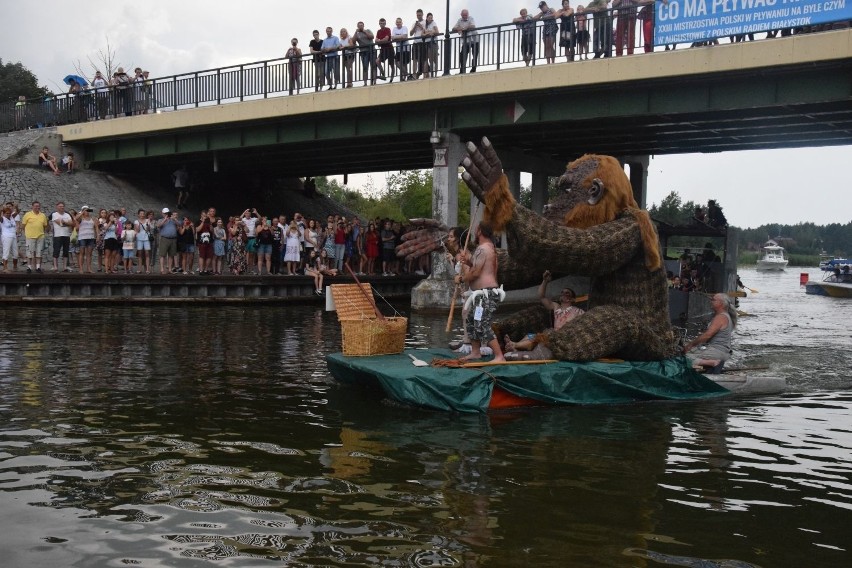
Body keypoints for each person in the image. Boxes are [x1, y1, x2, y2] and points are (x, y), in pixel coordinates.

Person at [454, 222, 506, 362]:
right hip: (481, 294)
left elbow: (476, 273)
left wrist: (461, 278)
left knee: (482, 323)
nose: (475, 233)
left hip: (486, 294)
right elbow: (478, 267)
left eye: (476, 230)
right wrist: (469, 261)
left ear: (479, 232)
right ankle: (475, 352)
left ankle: (499, 356)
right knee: (472, 321)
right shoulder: (488, 248)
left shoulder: (483, 249)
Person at [504, 271, 585, 355]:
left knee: (538, 338)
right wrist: (545, 281)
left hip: (564, 338)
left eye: (567, 293)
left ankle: (514, 344)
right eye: (562, 292)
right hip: (553, 334)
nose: (563, 294)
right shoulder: (556, 306)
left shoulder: (578, 311)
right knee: (529, 336)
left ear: (572, 299)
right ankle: (514, 348)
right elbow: (541, 296)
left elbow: (583, 326)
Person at [683, 293, 736, 369]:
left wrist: (690, 345)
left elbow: (707, 335)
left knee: (682, 359)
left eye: (713, 300)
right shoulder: (725, 316)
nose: (711, 301)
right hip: (723, 352)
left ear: (721, 303)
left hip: (716, 352)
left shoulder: (721, 317)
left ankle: (711, 363)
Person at [21, 201, 48, 273]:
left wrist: (43, 233)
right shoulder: (27, 214)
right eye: (36, 206)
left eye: (38, 206)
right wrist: (26, 233)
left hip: (40, 236)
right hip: (30, 236)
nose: (37, 207)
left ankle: (38, 267)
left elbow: (45, 225)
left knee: (39, 252)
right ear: (32, 207)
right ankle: (29, 267)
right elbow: (23, 225)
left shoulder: (43, 215)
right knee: (29, 252)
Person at [452, 9, 479, 74]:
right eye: (463, 15)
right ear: (461, 15)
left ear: (468, 14)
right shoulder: (459, 20)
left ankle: (473, 68)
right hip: (466, 41)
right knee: (463, 55)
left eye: (466, 15)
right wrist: (458, 29)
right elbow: (453, 29)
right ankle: (462, 70)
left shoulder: (471, 18)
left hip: (474, 40)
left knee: (475, 55)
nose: (465, 16)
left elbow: (473, 26)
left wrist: (464, 28)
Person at [50, 202, 74, 272]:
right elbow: (60, 223)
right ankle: (55, 266)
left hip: (66, 235)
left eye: (63, 206)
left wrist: (64, 222)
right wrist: (66, 223)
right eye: (60, 206)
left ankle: (65, 267)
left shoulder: (67, 214)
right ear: (57, 207)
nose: (62, 207)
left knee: (66, 251)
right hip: (58, 235)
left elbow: (71, 223)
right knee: (56, 251)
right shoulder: (54, 214)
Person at [75, 206, 97, 274]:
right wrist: (82, 212)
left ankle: (89, 268)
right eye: (86, 210)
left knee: (89, 254)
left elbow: (96, 227)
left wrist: (97, 236)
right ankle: (81, 268)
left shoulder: (92, 218)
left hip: (90, 237)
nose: (87, 212)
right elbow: (76, 218)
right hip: (82, 237)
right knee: (82, 253)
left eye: (88, 210)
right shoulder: (81, 218)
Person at [353, 21, 376, 86]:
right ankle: (365, 82)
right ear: (357, 26)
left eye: (361, 25)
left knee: (373, 66)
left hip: (371, 51)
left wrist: (364, 31)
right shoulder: (357, 34)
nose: (360, 26)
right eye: (359, 25)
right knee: (365, 67)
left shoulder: (368, 30)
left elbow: (371, 37)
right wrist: (355, 32)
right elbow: (353, 41)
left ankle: (374, 81)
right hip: (363, 52)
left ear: (363, 26)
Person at [157, 208, 180, 273]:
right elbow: (158, 226)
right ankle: (162, 269)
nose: (166, 214)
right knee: (162, 255)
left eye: (167, 213)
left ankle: (170, 269)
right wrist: (165, 219)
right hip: (164, 238)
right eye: (165, 213)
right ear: (162, 213)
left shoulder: (173, 220)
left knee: (171, 255)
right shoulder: (160, 220)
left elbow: (179, 224)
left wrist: (174, 219)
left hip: (173, 239)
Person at [321, 26, 342, 90]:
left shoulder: (335, 38)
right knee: (326, 72)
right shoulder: (324, 40)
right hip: (328, 58)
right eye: (327, 31)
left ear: (332, 31)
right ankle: (330, 85)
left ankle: (335, 86)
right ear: (326, 32)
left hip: (335, 57)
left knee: (335, 72)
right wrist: (325, 49)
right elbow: (322, 48)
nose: (328, 32)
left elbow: (338, 45)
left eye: (329, 31)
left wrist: (330, 48)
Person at [1, 205, 19, 272]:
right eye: (6, 213)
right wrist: (1, 209)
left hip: (13, 236)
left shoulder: (12, 217)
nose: (8, 214)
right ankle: (5, 268)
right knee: (6, 252)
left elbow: (17, 212)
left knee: (15, 253)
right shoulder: (2, 219)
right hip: (6, 236)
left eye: (9, 213)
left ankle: (15, 267)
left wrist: (16, 206)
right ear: (4, 213)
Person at [134, 209, 153, 274]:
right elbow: (138, 230)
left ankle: (147, 269)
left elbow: (148, 229)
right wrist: (140, 223)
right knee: (140, 254)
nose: (142, 215)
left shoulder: (148, 220)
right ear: (138, 214)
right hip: (139, 238)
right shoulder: (136, 221)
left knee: (147, 253)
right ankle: (139, 269)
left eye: (143, 213)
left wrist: (147, 224)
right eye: (141, 213)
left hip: (146, 238)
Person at [423, 12, 440, 78]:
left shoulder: (434, 23)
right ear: (426, 18)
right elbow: (423, 34)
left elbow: (437, 31)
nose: (430, 19)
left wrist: (430, 32)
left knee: (435, 59)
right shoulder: (425, 25)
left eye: (431, 18)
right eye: (429, 18)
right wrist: (428, 33)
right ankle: (431, 73)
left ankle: (435, 74)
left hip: (433, 43)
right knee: (430, 59)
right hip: (427, 43)